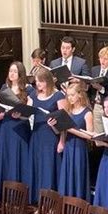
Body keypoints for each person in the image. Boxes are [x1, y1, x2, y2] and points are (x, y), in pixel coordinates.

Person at [0, 62, 34, 198]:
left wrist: (21, 114)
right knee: (6, 156)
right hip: (6, 126)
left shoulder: (28, 90)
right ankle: (5, 194)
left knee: (19, 156)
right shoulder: (4, 88)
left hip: (20, 126)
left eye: (15, 72)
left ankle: (20, 194)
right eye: (10, 71)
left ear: (20, 74)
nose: (11, 74)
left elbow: (30, 110)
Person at [28, 68, 66, 203]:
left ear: (48, 81)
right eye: (37, 81)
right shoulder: (33, 95)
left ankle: (49, 202)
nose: (38, 84)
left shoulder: (58, 96)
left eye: (41, 82)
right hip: (36, 135)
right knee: (37, 166)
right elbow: (27, 112)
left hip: (50, 136)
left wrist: (62, 141)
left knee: (48, 168)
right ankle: (37, 200)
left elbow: (64, 121)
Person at [56, 83, 93, 201]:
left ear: (80, 95)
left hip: (79, 148)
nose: (70, 98)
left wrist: (72, 129)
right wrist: (61, 140)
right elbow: (64, 131)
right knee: (67, 176)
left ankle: (77, 206)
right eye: (68, 96)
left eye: (72, 95)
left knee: (77, 176)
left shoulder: (87, 113)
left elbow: (90, 136)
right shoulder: (68, 111)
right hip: (69, 146)